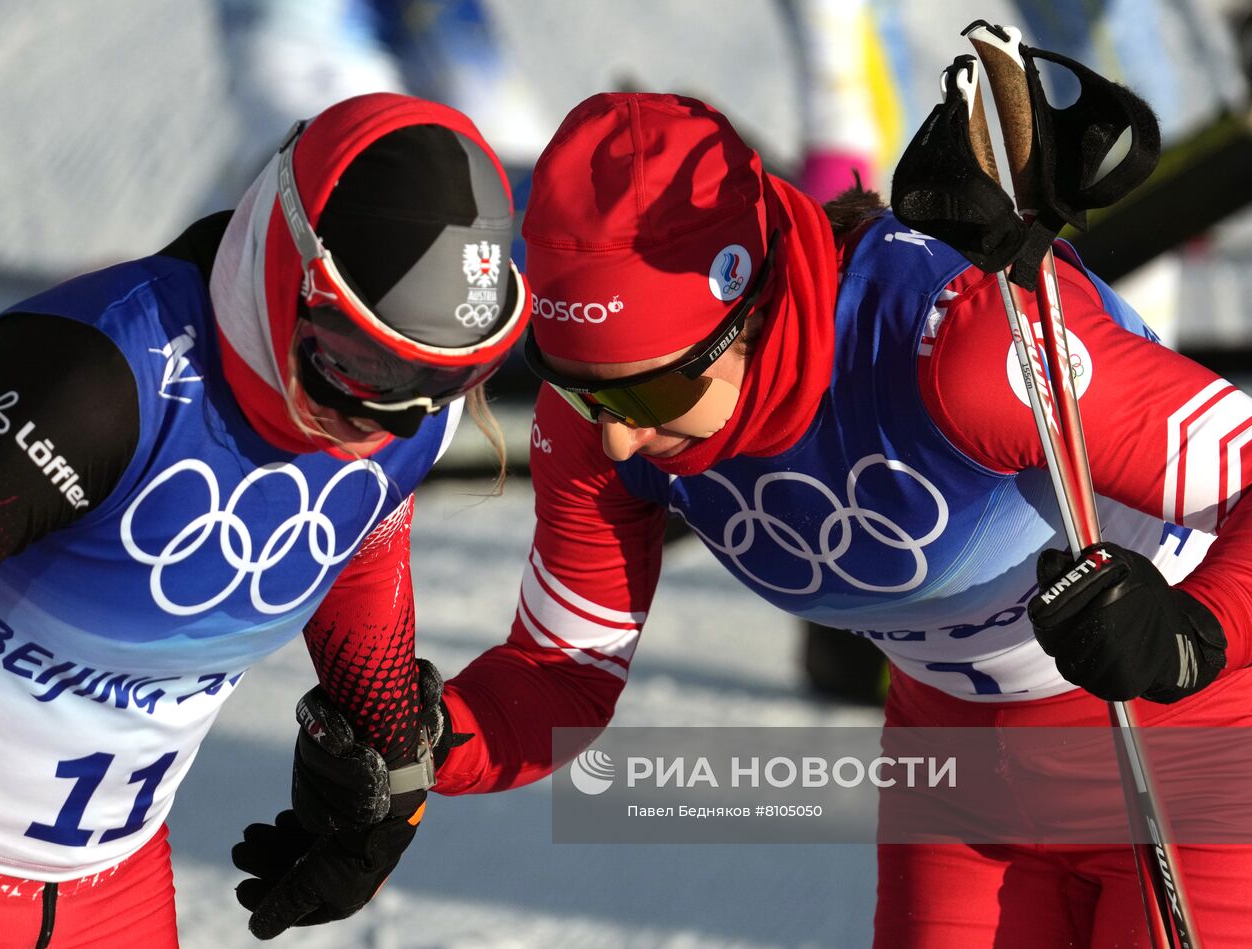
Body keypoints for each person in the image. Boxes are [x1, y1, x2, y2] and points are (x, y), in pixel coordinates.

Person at [407, 92, 1252, 946]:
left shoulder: (957, 350)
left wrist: (1200, 631)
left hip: (1186, 749)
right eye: (579, 384)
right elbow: (560, 672)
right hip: (959, 781)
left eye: (648, 389)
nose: (618, 435)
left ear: (749, 305)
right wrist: (416, 742)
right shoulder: (601, 424)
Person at [0, 91, 529, 947]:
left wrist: (386, 768)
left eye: (445, 382)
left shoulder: (406, 408)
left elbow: (356, 547)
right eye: (358, 367)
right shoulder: (93, 385)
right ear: (293, 270)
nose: (385, 423)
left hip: (111, 896)